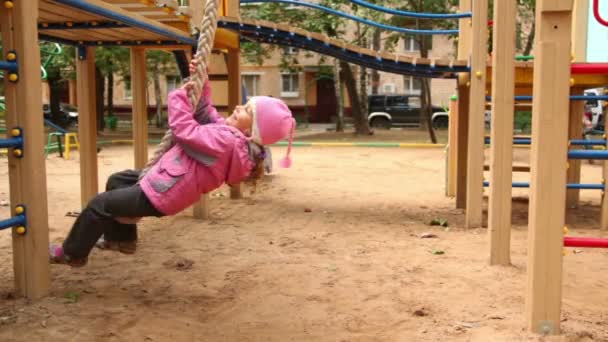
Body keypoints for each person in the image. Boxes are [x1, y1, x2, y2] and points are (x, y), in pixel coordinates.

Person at [49, 67, 295, 267]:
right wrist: (202, 83)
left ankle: (72, 253)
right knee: (118, 180)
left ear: (250, 131)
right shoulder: (230, 136)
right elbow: (206, 114)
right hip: (166, 183)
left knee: (98, 205)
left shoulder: (227, 142)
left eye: (247, 110)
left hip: (162, 192)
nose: (238, 107)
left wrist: (177, 97)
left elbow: (185, 130)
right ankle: (122, 240)